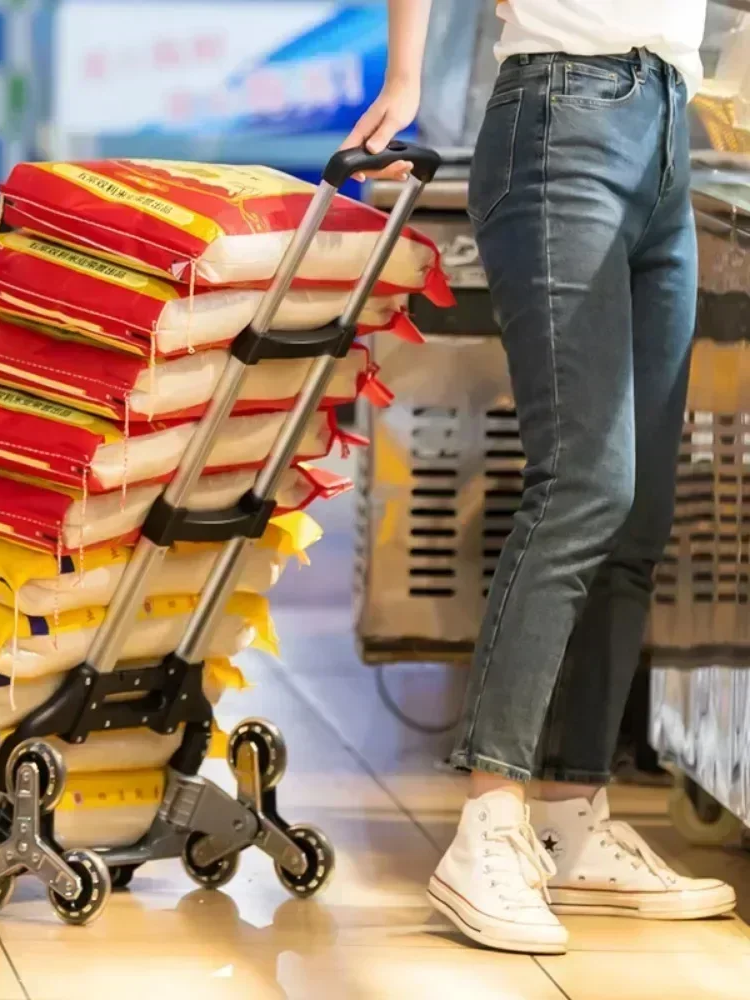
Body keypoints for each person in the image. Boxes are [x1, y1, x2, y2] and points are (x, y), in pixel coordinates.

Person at [343, 0, 737, 954]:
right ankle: (488, 821)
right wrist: (402, 78)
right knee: (585, 481)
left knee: (639, 508)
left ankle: (568, 814)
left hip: (668, 126)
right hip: (562, 117)